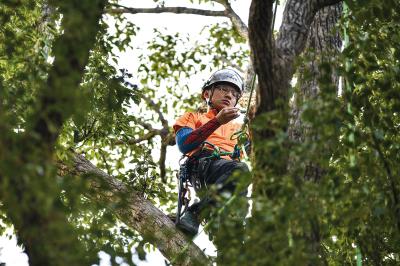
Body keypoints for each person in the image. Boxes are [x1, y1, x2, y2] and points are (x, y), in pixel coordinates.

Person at [173, 68, 250, 238]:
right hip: (204, 166)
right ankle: (196, 212)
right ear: (207, 93)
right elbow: (184, 144)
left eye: (234, 93)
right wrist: (216, 122)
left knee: (234, 230)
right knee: (240, 171)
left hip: (228, 180)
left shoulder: (240, 130)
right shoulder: (193, 117)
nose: (229, 95)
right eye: (223, 89)